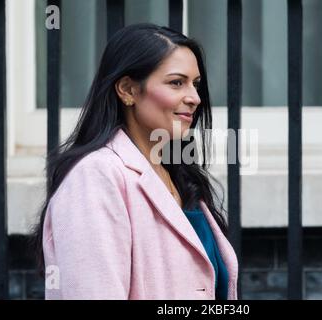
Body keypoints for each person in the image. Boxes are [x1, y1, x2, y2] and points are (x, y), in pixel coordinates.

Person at [32, 23, 238, 300]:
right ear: (128, 90)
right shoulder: (96, 177)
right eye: (176, 82)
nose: (194, 98)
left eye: (196, 84)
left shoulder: (178, 175)